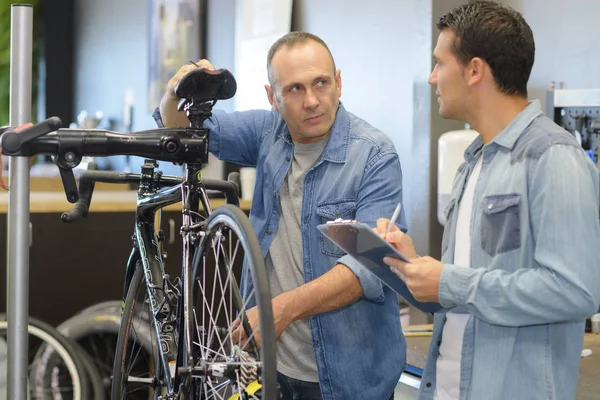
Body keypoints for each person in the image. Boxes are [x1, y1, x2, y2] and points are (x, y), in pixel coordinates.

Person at [156, 31, 435, 400]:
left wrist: (280, 311)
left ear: (338, 82)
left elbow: (370, 268)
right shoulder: (268, 134)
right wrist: (177, 86)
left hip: (348, 381)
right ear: (273, 98)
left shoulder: (374, 156)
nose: (312, 101)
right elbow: (180, 128)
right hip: (271, 370)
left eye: (321, 83)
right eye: (295, 89)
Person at [376, 2, 600, 399]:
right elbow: (469, 291)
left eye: (439, 64)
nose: (432, 78)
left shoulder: (553, 157)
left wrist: (450, 281)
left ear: (475, 70)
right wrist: (412, 266)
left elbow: (576, 290)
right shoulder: (472, 162)